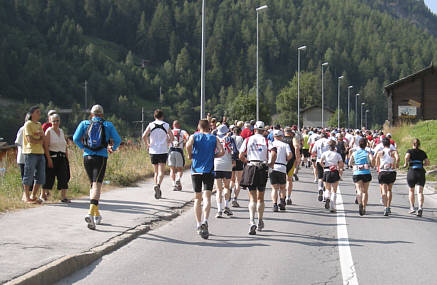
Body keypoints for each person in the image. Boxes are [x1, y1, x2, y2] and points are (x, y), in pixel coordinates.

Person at [73, 104, 121, 230]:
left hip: (87, 157)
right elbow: (118, 140)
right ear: (102, 114)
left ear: (91, 114)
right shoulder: (108, 125)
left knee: (92, 184)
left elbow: (75, 138)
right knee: (97, 185)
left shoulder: (84, 124)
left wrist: (84, 148)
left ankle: (96, 215)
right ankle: (90, 212)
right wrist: (112, 148)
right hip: (101, 157)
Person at [186, 119, 224, 239]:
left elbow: (187, 145)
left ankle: (198, 224)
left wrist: (190, 154)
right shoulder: (214, 138)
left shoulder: (194, 136)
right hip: (209, 170)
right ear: (209, 127)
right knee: (207, 196)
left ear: (199, 126)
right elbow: (222, 151)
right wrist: (214, 155)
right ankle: (205, 221)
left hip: (196, 171)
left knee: (197, 198)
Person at [239, 121, 276, 235]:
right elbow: (274, 153)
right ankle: (260, 220)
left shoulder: (248, 139)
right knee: (261, 197)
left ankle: (251, 221)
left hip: (251, 166)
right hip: (262, 167)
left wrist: (246, 162)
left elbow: (240, 155)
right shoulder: (266, 140)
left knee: (252, 197)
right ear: (263, 130)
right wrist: (270, 164)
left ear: (254, 129)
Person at [142, 109, 174, 199]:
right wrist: (168, 142)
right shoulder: (166, 125)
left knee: (155, 172)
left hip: (153, 150)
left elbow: (144, 136)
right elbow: (172, 137)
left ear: (154, 116)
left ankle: (156, 186)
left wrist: (147, 144)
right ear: (162, 116)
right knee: (161, 171)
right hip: (163, 150)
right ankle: (158, 186)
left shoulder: (151, 125)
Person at [42, 114, 71, 203]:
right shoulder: (49, 131)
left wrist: (67, 157)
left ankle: (63, 196)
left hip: (62, 157)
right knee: (49, 177)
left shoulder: (61, 131)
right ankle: (43, 195)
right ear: (50, 122)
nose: (56, 123)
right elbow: (46, 146)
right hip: (52, 156)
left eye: (57, 121)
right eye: (54, 121)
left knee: (64, 176)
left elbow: (64, 145)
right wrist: (49, 159)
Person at [22, 106, 46, 204]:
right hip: (30, 152)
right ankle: (26, 196)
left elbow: (43, 137)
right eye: (37, 112)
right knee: (29, 174)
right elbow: (29, 139)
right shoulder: (28, 124)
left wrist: (39, 139)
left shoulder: (39, 124)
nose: (39, 114)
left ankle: (33, 195)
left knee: (40, 175)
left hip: (40, 152)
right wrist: (39, 139)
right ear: (32, 114)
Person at [214, 124, 238, 218]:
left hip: (217, 164)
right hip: (227, 164)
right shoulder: (230, 139)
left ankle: (219, 210)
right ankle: (226, 206)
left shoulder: (214, 139)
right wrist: (234, 160)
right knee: (226, 187)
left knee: (219, 189)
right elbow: (235, 151)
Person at [404, 138, 430, 217]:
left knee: (411, 190)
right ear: (419, 144)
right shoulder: (422, 152)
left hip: (412, 171)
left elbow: (406, 156)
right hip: (420, 172)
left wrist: (406, 163)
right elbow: (427, 162)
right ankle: (420, 207)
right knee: (420, 192)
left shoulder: (410, 151)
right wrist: (424, 164)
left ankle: (412, 208)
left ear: (412, 144)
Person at [349, 138, 374, 216]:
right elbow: (372, 160)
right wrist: (371, 165)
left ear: (358, 144)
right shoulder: (367, 153)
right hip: (366, 172)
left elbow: (350, 163)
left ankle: (360, 203)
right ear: (366, 145)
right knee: (365, 191)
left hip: (357, 172)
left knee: (359, 190)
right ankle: (364, 207)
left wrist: (354, 165)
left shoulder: (354, 153)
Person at [375, 138, 399, 216]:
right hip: (391, 172)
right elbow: (398, 158)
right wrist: (396, 165)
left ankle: (385, 207)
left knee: (384, 191)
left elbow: (377, 163)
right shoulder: (393, 152)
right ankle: (388, 206)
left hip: (382, 172)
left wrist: (379, 167)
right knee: (389, 190)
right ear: (390, 144)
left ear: (383, 144)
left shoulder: (380, 152)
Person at [270, 130, 292, 212]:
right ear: (281, 136)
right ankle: (282, 202)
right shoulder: (285, 145)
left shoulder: (271, 144)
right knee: (282, 187)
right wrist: (286, 159)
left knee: (274, 188)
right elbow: (290, 155)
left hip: (273, 166)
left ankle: (275, 205)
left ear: (273, 136)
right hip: (282, 166)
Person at [320, 140, 344, 212]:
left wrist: (324, 167)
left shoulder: (325, 153)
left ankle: (327, 197)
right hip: (334, 171)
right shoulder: (337, 154)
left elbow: (320, 162)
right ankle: (332, 207)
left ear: (328, 147)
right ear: (334, 147)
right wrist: (338, 168)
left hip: (327, 171)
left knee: (327, 188)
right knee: (334, 190)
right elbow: (341, 164)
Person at [15, 113, 33, 201]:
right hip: (23, 157)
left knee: (32, 177)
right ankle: (25, 195)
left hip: (32, 157)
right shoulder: (22, 129)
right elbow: (18, 142)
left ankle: (30, 195)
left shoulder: (35, 129)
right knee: (25, 177)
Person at [168, 120, 189, 191]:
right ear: (179, 125)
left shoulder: (170, 131)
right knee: (180, 169)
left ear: (173, 125)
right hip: (179, 151)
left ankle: (173, 184)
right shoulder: (183, 132)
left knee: (172, 169)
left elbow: (167, 140)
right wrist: (184, 143)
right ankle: (178, 179)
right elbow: (188, 137)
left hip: (171, 151)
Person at [313, 132, 330, 202]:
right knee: (326, 179)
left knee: (320, 177)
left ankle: (320, 188)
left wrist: (317, 154)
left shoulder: (317, 142)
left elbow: (313, 151)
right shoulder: (329, 141)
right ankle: (324, 196)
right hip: (327, 161)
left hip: (319, 160)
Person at [282, 128, 296, 205]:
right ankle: (288, 197)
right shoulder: (293, 139)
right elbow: (296, 147)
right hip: (291, 161)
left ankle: (282, 197)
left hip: (282, 161)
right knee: (289, 180)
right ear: (290, 133)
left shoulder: (281, 139)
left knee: (282, 181)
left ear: (284, 132)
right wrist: (298, 158)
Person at [230, 126, 244, 207]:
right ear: (240, 132)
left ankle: (230, 190)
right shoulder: (241, 138)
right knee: (238, 181)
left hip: (231, 160)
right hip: (238, 159)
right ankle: (235, 198)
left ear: (233, 131)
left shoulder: (229, 137)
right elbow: (242, 149)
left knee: (231, 179)